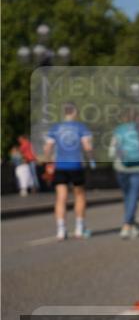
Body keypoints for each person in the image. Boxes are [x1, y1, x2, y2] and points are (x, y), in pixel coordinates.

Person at [43, 102, 95, 240]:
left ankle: (61, 230)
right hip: (76, 165)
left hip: (60, 166)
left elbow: (47, 148)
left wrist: (48, 162)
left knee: (61, 197)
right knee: (79, 195)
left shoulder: (55, 128)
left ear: (64, 112)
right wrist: (91, 159)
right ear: (75, 112)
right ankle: (79, 227)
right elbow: (87, 146)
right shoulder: (81, 127)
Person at [109, 110, 139, 239]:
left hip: (121, 168)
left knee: (128, 196)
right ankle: (128, 224)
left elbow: (111, 153)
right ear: (138, 118)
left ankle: (130, 223)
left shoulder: (118, 131)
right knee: (133, 195)